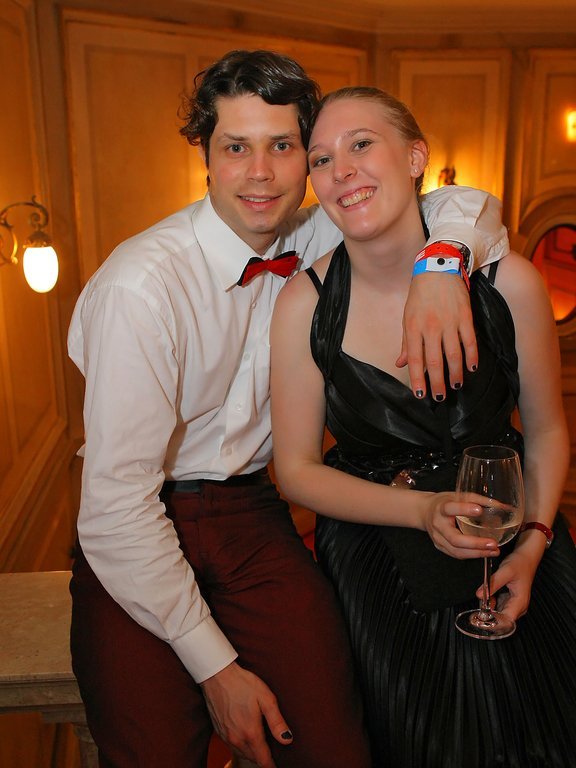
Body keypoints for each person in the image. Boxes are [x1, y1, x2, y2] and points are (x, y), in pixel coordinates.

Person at [67, 50, 509, 768]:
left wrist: (441, 263)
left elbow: (464, 202)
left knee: (334, 744)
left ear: (308, 158)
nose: (261, 174)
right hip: (136, 523)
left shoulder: (317, 233)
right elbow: (114, 504)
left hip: (253, 515)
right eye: (236, 148)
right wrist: (217, 670)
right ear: (205, 158)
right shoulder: (140, 287)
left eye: (282, 146)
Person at [270, 85, 576, 768]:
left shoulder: (510, 283)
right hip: (377, 555)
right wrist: (420, 510)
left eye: (361, 144)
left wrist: (532, 543)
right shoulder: (303, 304)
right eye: (321, 159)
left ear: (416, 158)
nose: (341, 170)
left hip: (514, 532)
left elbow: (549, 432)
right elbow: (296, 471)